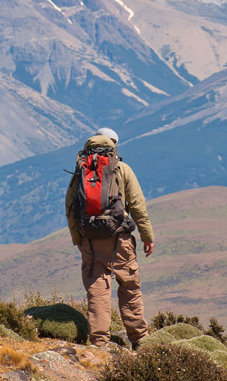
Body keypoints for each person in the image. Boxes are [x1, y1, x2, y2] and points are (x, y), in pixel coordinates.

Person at [65, 127, 155, 348]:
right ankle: (139, 340)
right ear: (114, 144)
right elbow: (137, 206)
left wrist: (78, 239)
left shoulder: (81, 170)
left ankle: (99, 342)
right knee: (129, 286)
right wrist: (147, 236)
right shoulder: (121, 168)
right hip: (120, 238)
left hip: (91, 239)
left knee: (97, 287)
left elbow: (70, 207)